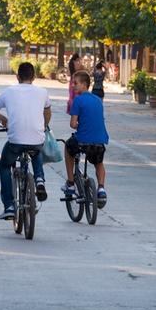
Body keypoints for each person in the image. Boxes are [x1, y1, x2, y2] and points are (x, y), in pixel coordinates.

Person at [0, 61, 51, 220]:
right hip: (36, 138)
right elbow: (47, 113)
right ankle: (39, 179)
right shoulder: (43, 92)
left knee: (4, 165)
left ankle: (9, 205)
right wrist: (43, 126)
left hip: (15, 141)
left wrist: (4, 120)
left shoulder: (8, 91)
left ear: (17, 77)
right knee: (37, 149)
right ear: (34, 77)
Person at [64, 69, 109, 209]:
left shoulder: (78, 100)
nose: (73, 86)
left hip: (83, 139)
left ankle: (71, 183)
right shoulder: (97, 99)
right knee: (98, 162)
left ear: (84, 84)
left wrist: (79, 125)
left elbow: (73, 124)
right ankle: (101, 188)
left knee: (68, 147)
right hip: (100, 140)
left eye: (75, 83)